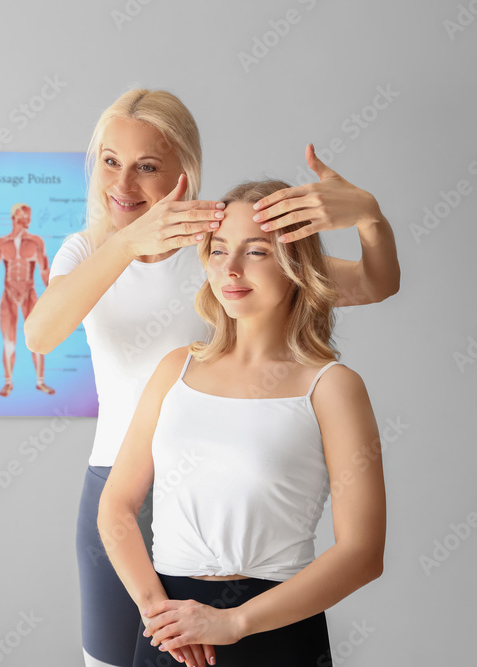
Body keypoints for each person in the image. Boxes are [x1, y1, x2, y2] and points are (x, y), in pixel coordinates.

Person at [23, 88, 399, 667]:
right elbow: (40, 336)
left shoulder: (221, 243)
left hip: (226, 487)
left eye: (147, 167)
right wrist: (126, 244)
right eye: (110, 161)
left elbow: (374, 283)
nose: (123, 185)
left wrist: (368, 217)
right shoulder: (88, 250)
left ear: (185, 172)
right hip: (119, 486)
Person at [98, 179, 387, 667]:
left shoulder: (333, 388)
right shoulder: (175, 369)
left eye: (255, 251)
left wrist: (235, 622)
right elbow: (117, 506)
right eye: (217, 250)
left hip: (274, 635)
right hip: (169, 632)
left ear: (297, 263)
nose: (230, 269)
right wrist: (156, 611)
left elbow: (362, 553)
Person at [0, 202, 55, 396]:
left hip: (29, 293)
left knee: (37, 338)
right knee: (9, 341)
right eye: (24, 216)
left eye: (29, 217)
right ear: (14, 216)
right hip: (8, 294)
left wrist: (54, 294)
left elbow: (44, 269)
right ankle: (8, 382)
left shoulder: (36, 242)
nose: (28, 220)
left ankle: (40, 382)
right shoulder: (1, 243)